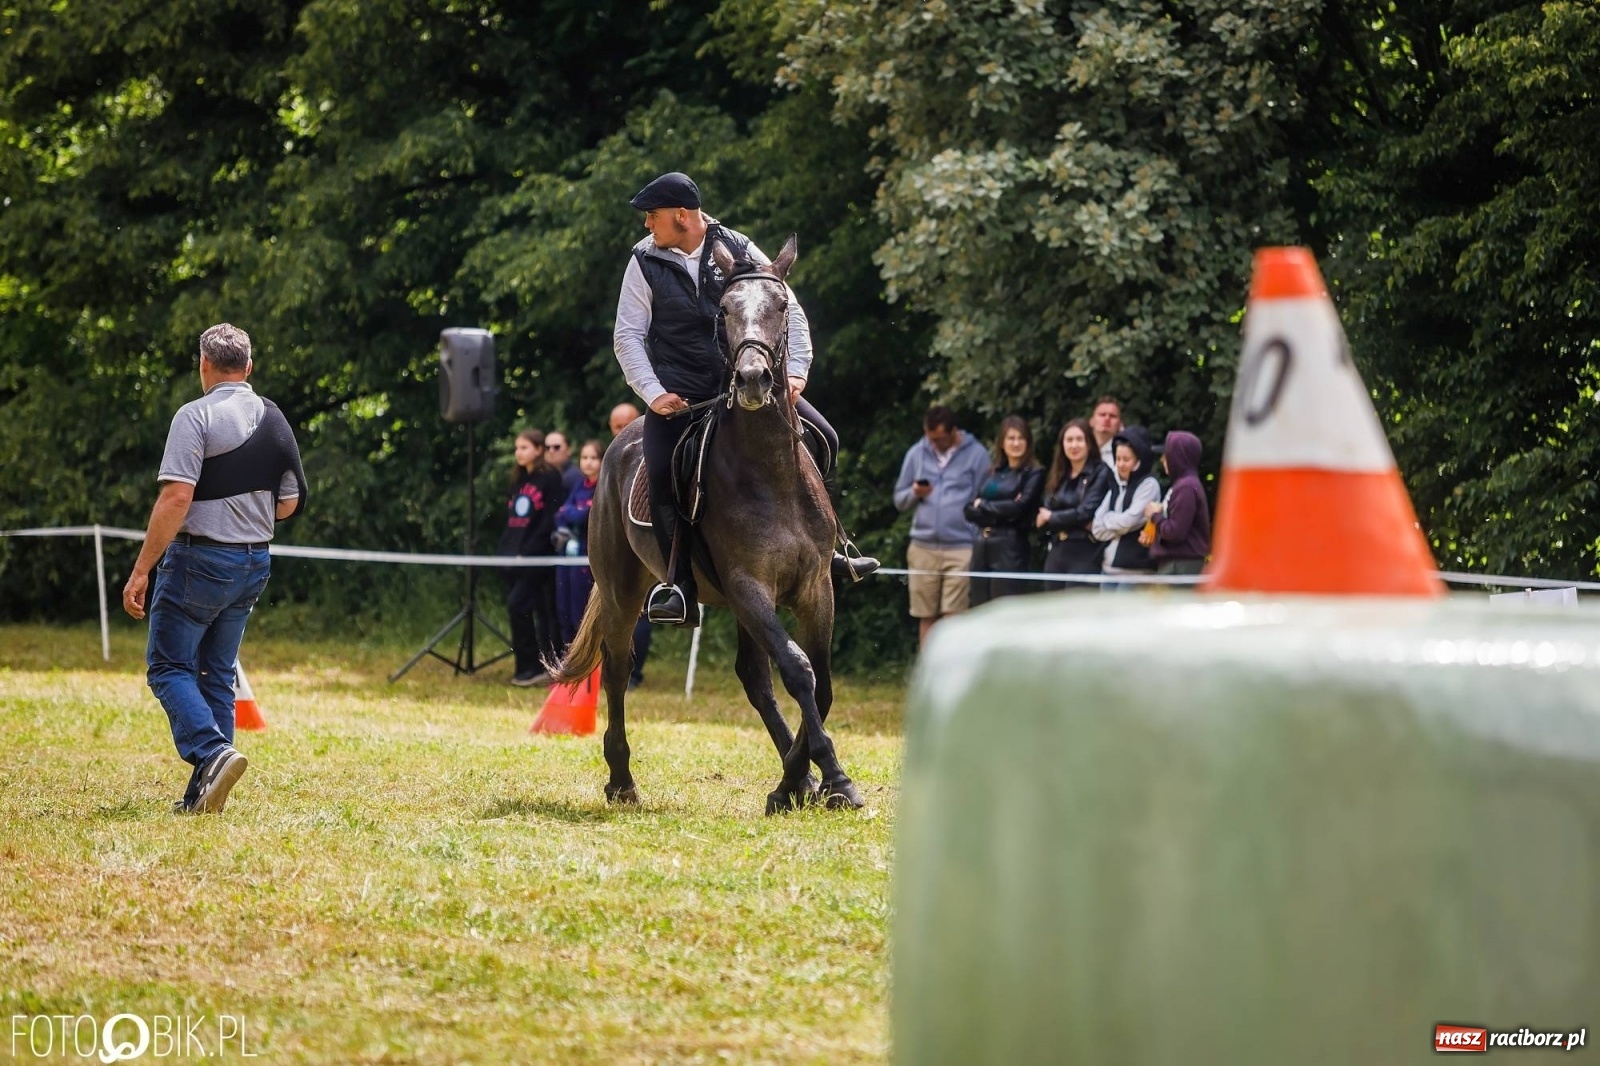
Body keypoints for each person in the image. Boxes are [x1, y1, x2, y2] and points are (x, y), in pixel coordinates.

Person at [612, 170, 877, 627]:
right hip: (684, 392)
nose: (646, 225)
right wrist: (654, 395)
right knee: (658, 466)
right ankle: (677, 583)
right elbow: (628, 336)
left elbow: (784, 304)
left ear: (681, 215)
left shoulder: (737, 244)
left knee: (826, 437)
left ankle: (830, 549)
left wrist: (795, 370)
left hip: (747, 380)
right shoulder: (643, 260)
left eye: (652, 216)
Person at [121, 323, 306, 815]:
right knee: (217, 673)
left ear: (203, 364)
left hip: (199, 559)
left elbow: (177, 495)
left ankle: (212, 752)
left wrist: (142, 570)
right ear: (248, 367)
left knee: (168, 667)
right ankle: (206, 792)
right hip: (254, 561)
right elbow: (287, 504)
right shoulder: (274, 418)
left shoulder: (194, 416)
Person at [893, 405, 990, 645]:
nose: (934, 443)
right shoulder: (917, 453)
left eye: (939, 438)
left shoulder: (977, 454)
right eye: (930, 438)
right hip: (923, 546)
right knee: (926, 615)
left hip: (961, 547)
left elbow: (985, 499)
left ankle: (952, 675)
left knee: (954, 616)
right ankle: (929, 675)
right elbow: (899, 500)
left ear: (953, 431)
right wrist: (915, 492)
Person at [498, 428, 566, 686]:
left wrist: (528, 551)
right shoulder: (518, 481)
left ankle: (533, 666)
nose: (519, 453)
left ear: (538, 450)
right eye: (517, 448)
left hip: (537, 559)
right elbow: (513, 521)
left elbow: (549, 519)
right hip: (515, 558)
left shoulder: (550, 479)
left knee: (521, 606)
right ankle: (530, 666)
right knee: (529, 608)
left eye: (524, 447)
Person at [963, 415, 1044, 606]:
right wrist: (1004, 507)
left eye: (1020, 438)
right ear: (1002, 442)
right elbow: (967, 509)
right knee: (979, 606)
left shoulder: (1034, 473)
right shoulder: (993, 472)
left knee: (1004, 607)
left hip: (1010, 547)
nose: (1016, 443)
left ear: (1028, 442)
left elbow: (1020, 509)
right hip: (982, 545)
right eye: (1011, 438)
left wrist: (982, 505)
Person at [1036, 417, 1114, 585]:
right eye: (1069, 440)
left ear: (1089, 443)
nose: (1074, 445)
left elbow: (1086, 512)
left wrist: (1052, 517)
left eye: (1079, 439)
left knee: (1077, 609)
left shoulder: (1100, 472)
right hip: (1057, 549)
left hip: (1085, 551)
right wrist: (1066, 517)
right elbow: (1044, 512)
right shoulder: (1059, 473)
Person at [1091, 426, 1161, 590]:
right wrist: (1119, 524)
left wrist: (1109, 519)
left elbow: (1128, 522)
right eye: (1118, 458)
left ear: (1138, 460)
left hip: (1134, 571)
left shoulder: (1148, 485)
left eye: (1126, 459)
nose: (1120, 464)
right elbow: (1096, 528)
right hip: (1108, 569)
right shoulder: (1116, 484)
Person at [554, 439, 603, 652]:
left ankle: (589, 658)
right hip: (568, 557)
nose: (588, 463)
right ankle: (570, 658)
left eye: (593, 458)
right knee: (564, 609)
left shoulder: (603, 486)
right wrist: (572, 514)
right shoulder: (578, 485)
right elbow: (559, 514)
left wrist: (572, 514)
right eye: (584, 458)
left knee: (581, 612)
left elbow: (586, 516)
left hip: (588, 557)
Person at [1142, 430, 1212, 575]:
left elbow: (1175, 532)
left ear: (1178, 457)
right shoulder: (1182, 484)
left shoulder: (1186, 487)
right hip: (1177, 563)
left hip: (1181, 565)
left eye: (1166, 455)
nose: (1162, 460)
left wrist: (1155, 516)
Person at [545, 430, 584, 498]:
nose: (551, 451)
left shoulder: (574, 476)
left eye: (557, 447)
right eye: (547, 448)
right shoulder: (542, 475)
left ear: (569, 450)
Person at [1090, 395, 1123, 469]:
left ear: (1120, 425)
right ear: (1091, 421)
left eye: (1112, 416)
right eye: (1102, 415)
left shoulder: (1124, 453)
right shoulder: (1081, 450)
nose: (1107, 418)